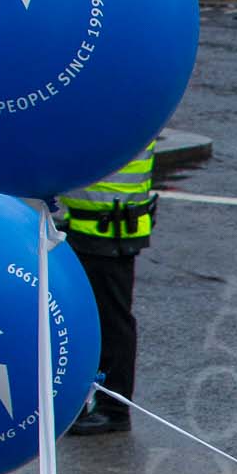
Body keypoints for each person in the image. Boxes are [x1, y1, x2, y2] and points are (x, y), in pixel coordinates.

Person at [61, 139, 158, 437]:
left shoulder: (119, 108)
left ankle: (113, 407)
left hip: (109, 226)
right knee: (90, 318)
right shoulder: (119, 102)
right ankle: (93, 400)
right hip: (89, 223)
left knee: (112, 322)